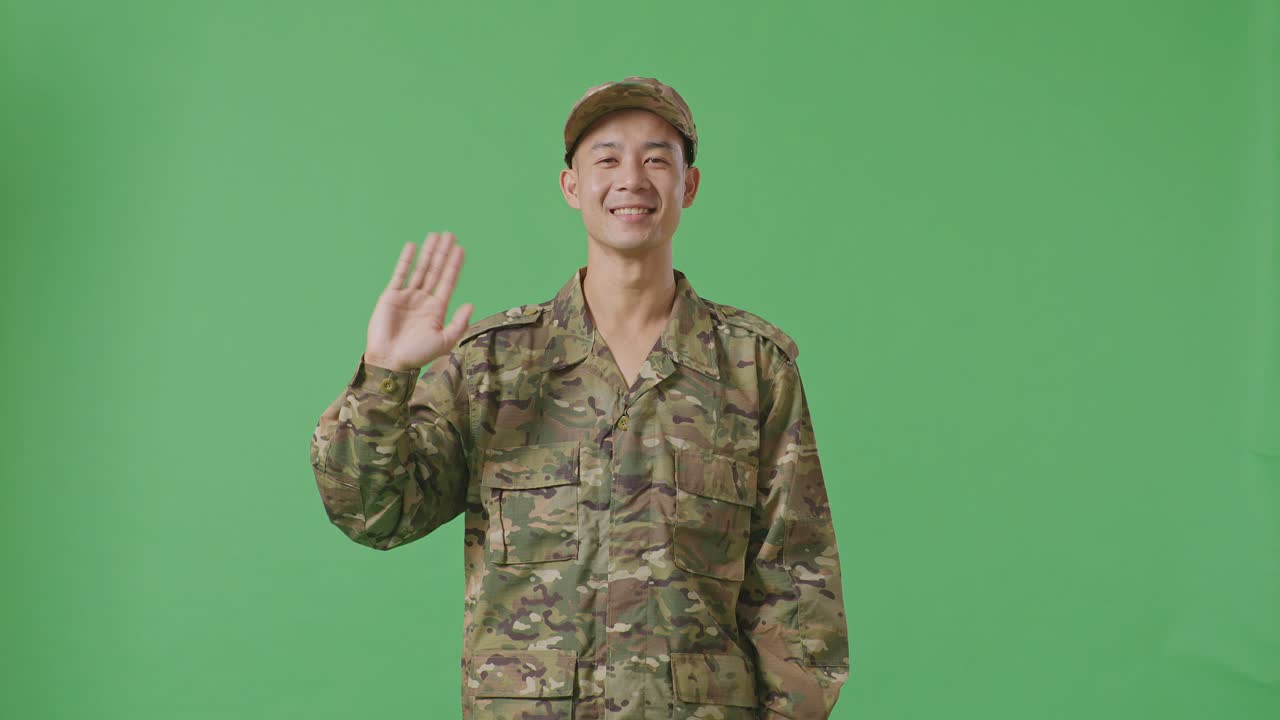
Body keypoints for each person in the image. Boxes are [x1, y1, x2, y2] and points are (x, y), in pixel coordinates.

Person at [309, 76, 851, 719]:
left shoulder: (752, 368)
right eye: (606, 158)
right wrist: (385, 375)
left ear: (689, 185)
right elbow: (375, 512)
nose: (632, 179)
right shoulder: (494, 366)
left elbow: (798, 595)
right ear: (572, 186)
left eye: (656, 158)